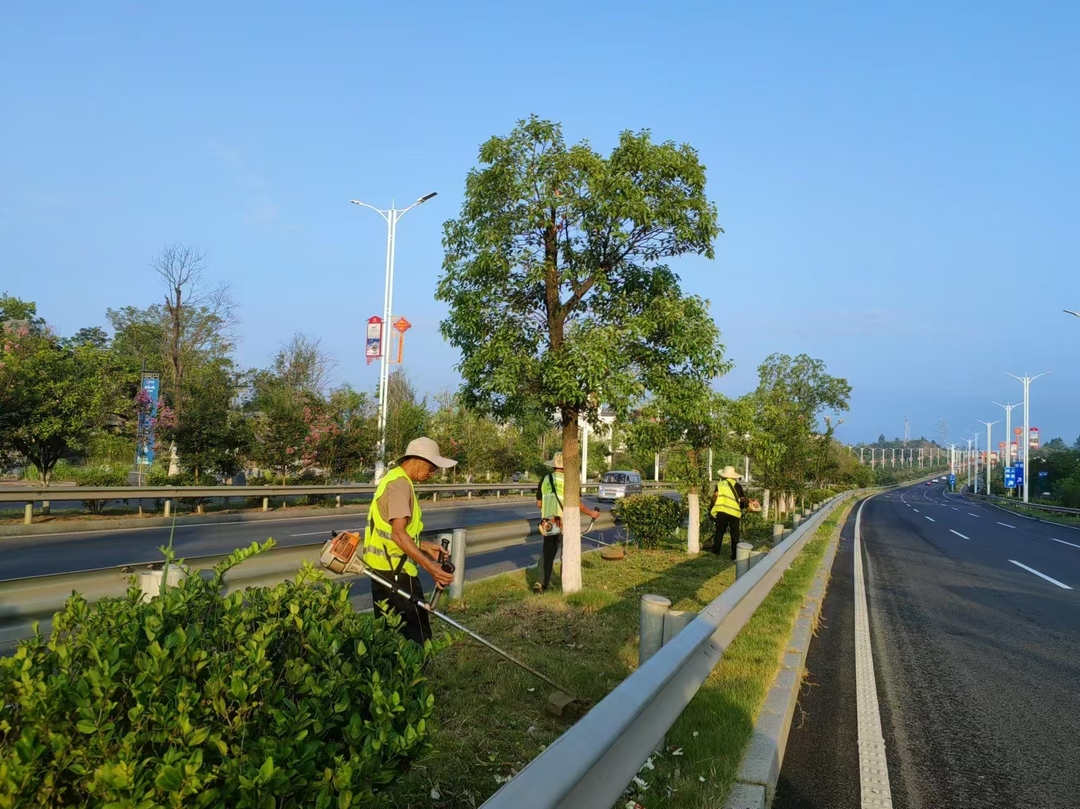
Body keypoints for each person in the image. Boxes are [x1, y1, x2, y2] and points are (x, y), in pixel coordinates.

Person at [362, 437, 457, 645]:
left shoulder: (393, 479)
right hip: (397, 575)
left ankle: (392, 677)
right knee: (417, 638)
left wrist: (425, 546)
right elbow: (398, 535)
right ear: (416, 460)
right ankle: (412, 677)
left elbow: (391, 531)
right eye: (431, 467)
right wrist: (432, 568)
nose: (432, 473)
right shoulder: (400, 485)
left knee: (389, 638)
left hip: (383, 571)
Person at [533, 451, 601, 592]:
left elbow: (539, 504)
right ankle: (568, 587)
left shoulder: (545, 479)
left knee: (547, 553)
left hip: (549, 522)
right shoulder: (570, 481)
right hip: (564, 522)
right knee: (568, 553)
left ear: (553, 465)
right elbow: (576, 503)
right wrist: (591, 513)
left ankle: (540, 584)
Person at [710, 465, 748, 560]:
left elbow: (715, 497)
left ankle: (716, 551)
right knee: (735, 534)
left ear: (724, 475)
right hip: (734, 513)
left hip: (722, 511)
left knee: (719, 532)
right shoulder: (738, 486)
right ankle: (734, 555)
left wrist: (711, 508)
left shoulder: (720, 485)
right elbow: (742, 500)